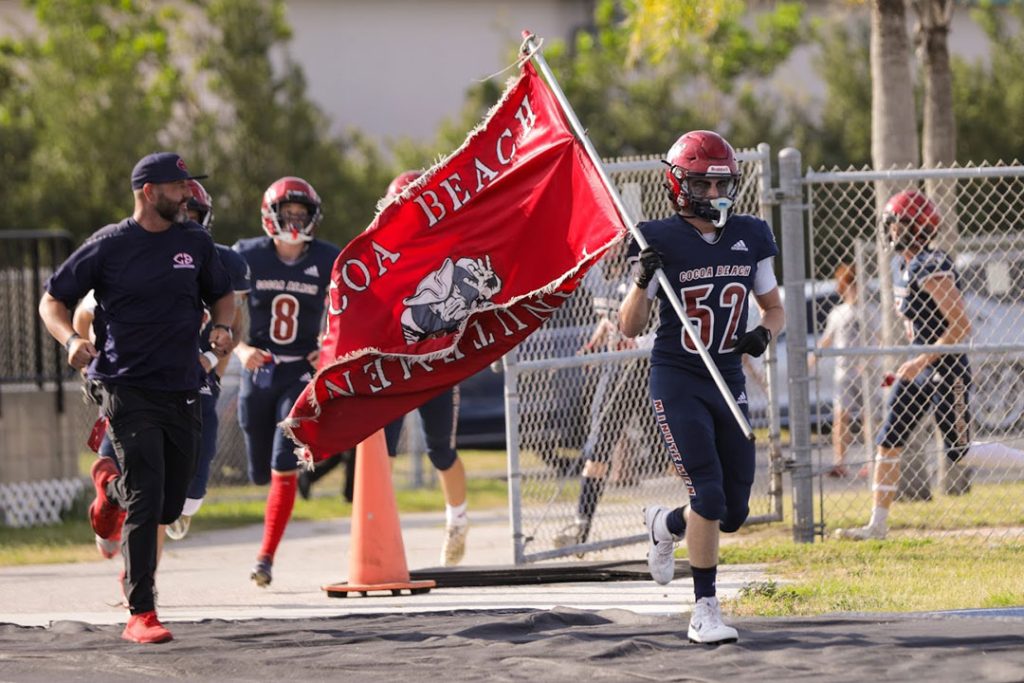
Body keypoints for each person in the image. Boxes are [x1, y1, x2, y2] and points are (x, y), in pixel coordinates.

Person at [39, 152, 234, 643]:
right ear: (149, 191)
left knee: (169, 504)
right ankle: (141, 612)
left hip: (183, 386)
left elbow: (222, 294)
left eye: (189, 186)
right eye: (178, 187)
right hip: (125, 386)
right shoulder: (109, 245)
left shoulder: (195, 241)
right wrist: (71, 341)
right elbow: (52, 301)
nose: (187, 193)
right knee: (148, 495)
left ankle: (110, 491)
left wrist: (224, 326)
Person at [620, 131, 784, 644]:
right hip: (679, 377)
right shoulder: (657, 238)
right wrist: (643, 280)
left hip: (727, 378)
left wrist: (763, 333)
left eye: (721, 182)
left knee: (732, 511)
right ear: (679, 184)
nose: (715, 193)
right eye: (703, 183)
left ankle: (666, 524)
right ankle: (704, 610)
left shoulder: (751, 234)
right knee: (707, 493)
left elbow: (773, 308)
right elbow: (630, 327)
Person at [835, 190, 973, 541]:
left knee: (960, 452)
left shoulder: (931, 265)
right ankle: (876, 526)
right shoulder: (904, 266)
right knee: (888, 441)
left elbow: (960, 327)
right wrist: (912, 362)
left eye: (898, 224)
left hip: (946, 368)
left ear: (915, 227)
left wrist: (922, 360)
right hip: (918, 367)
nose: (892, 230)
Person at [232, 176, 340, 587]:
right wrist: (240, 350)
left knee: (284, 462)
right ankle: (271, 503)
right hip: (259, 369)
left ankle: (265, 558)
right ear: (271, 215)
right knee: (260, 469)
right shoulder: (247, 255)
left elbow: (353, 304)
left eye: (302, 214)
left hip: (299, 371)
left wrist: (329, 346)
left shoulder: (328, 259)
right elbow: (221, 307)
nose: (295, 221)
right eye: (288, 213)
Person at [552, 245, 656, 552]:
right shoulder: (596, 270)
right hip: (617, 369)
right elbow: (610, 316)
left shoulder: (641, 265)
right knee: (597, 450)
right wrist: (597, 341)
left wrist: (637, 341)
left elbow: (665, 314)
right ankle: (582, 524)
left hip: (651, 365)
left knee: (675, 453)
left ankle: (707, 512)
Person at [166, 179, 251, 540]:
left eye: (193, 213)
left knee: (194, 487)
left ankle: (172, 507)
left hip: (198, 374)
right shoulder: (134, 253)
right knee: (121, 454)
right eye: (179, 211)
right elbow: (86, 313)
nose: (185, 219)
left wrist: (214, 363)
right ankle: (114, 503)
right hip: (145, 373)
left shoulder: (223, 261)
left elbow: (237, 322)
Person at [813, 262, 880, 478]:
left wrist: (869, 361)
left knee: (869, 417)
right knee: (841, 416)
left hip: (865, 372)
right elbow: (827, 339)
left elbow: (880, 339)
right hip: (843, 371)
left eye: (855, 285)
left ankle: (873, 461)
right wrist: (812, 359)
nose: (852, 290)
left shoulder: (869, 311)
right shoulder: (838, 313)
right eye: (848, 285)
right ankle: (839, 462)